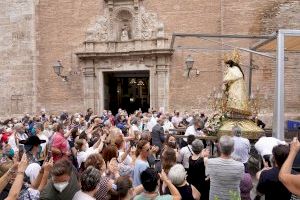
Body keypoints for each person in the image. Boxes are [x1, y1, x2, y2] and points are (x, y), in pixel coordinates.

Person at [206, 135, 244, 200]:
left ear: (220, 148)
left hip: (216, 197)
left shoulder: (210, 162)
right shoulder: (240, 166)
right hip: (233, 197)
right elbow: (241, 179)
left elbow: (207, 175)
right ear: (233, 149)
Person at [223, 50, 250, 114]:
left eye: (227, 65)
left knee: (234, 98)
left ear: (229, 64)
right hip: (237, 87)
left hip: (235, 87)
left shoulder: (232, 69)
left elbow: (227, 79)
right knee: (237, 98)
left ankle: (235, 111)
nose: (226, 67)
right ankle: (235, 111)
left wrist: (226, 78)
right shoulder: (237, 68)